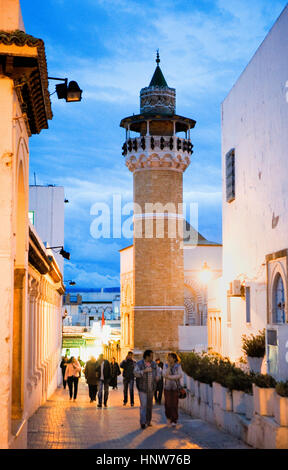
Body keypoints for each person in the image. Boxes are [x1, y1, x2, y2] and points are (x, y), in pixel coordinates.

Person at [134, 349, 160, 429]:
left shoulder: (154, 364)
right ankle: (142, 422)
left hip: (151, 388)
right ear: (147, 356)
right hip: (142, 388)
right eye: (151, 356)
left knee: (149, 406)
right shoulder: (139, 364)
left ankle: (148, 421)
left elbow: (159, 372)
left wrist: (158, 376)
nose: (152, 357)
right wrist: (144, 371)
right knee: (143, 405)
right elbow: (135, 373)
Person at [162, 352, 184, 427]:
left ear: (174, 358)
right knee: (167, 404)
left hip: (175, 388)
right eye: (168, 357)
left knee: (174, 404)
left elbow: (180, 375)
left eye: (170, 357)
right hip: (167, 387)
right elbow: (164, 374)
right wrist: (169, 367)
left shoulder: (178, 366)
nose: (169, 358)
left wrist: (170, 377)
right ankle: (168, 417)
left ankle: (174, 420)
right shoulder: (165, 365)